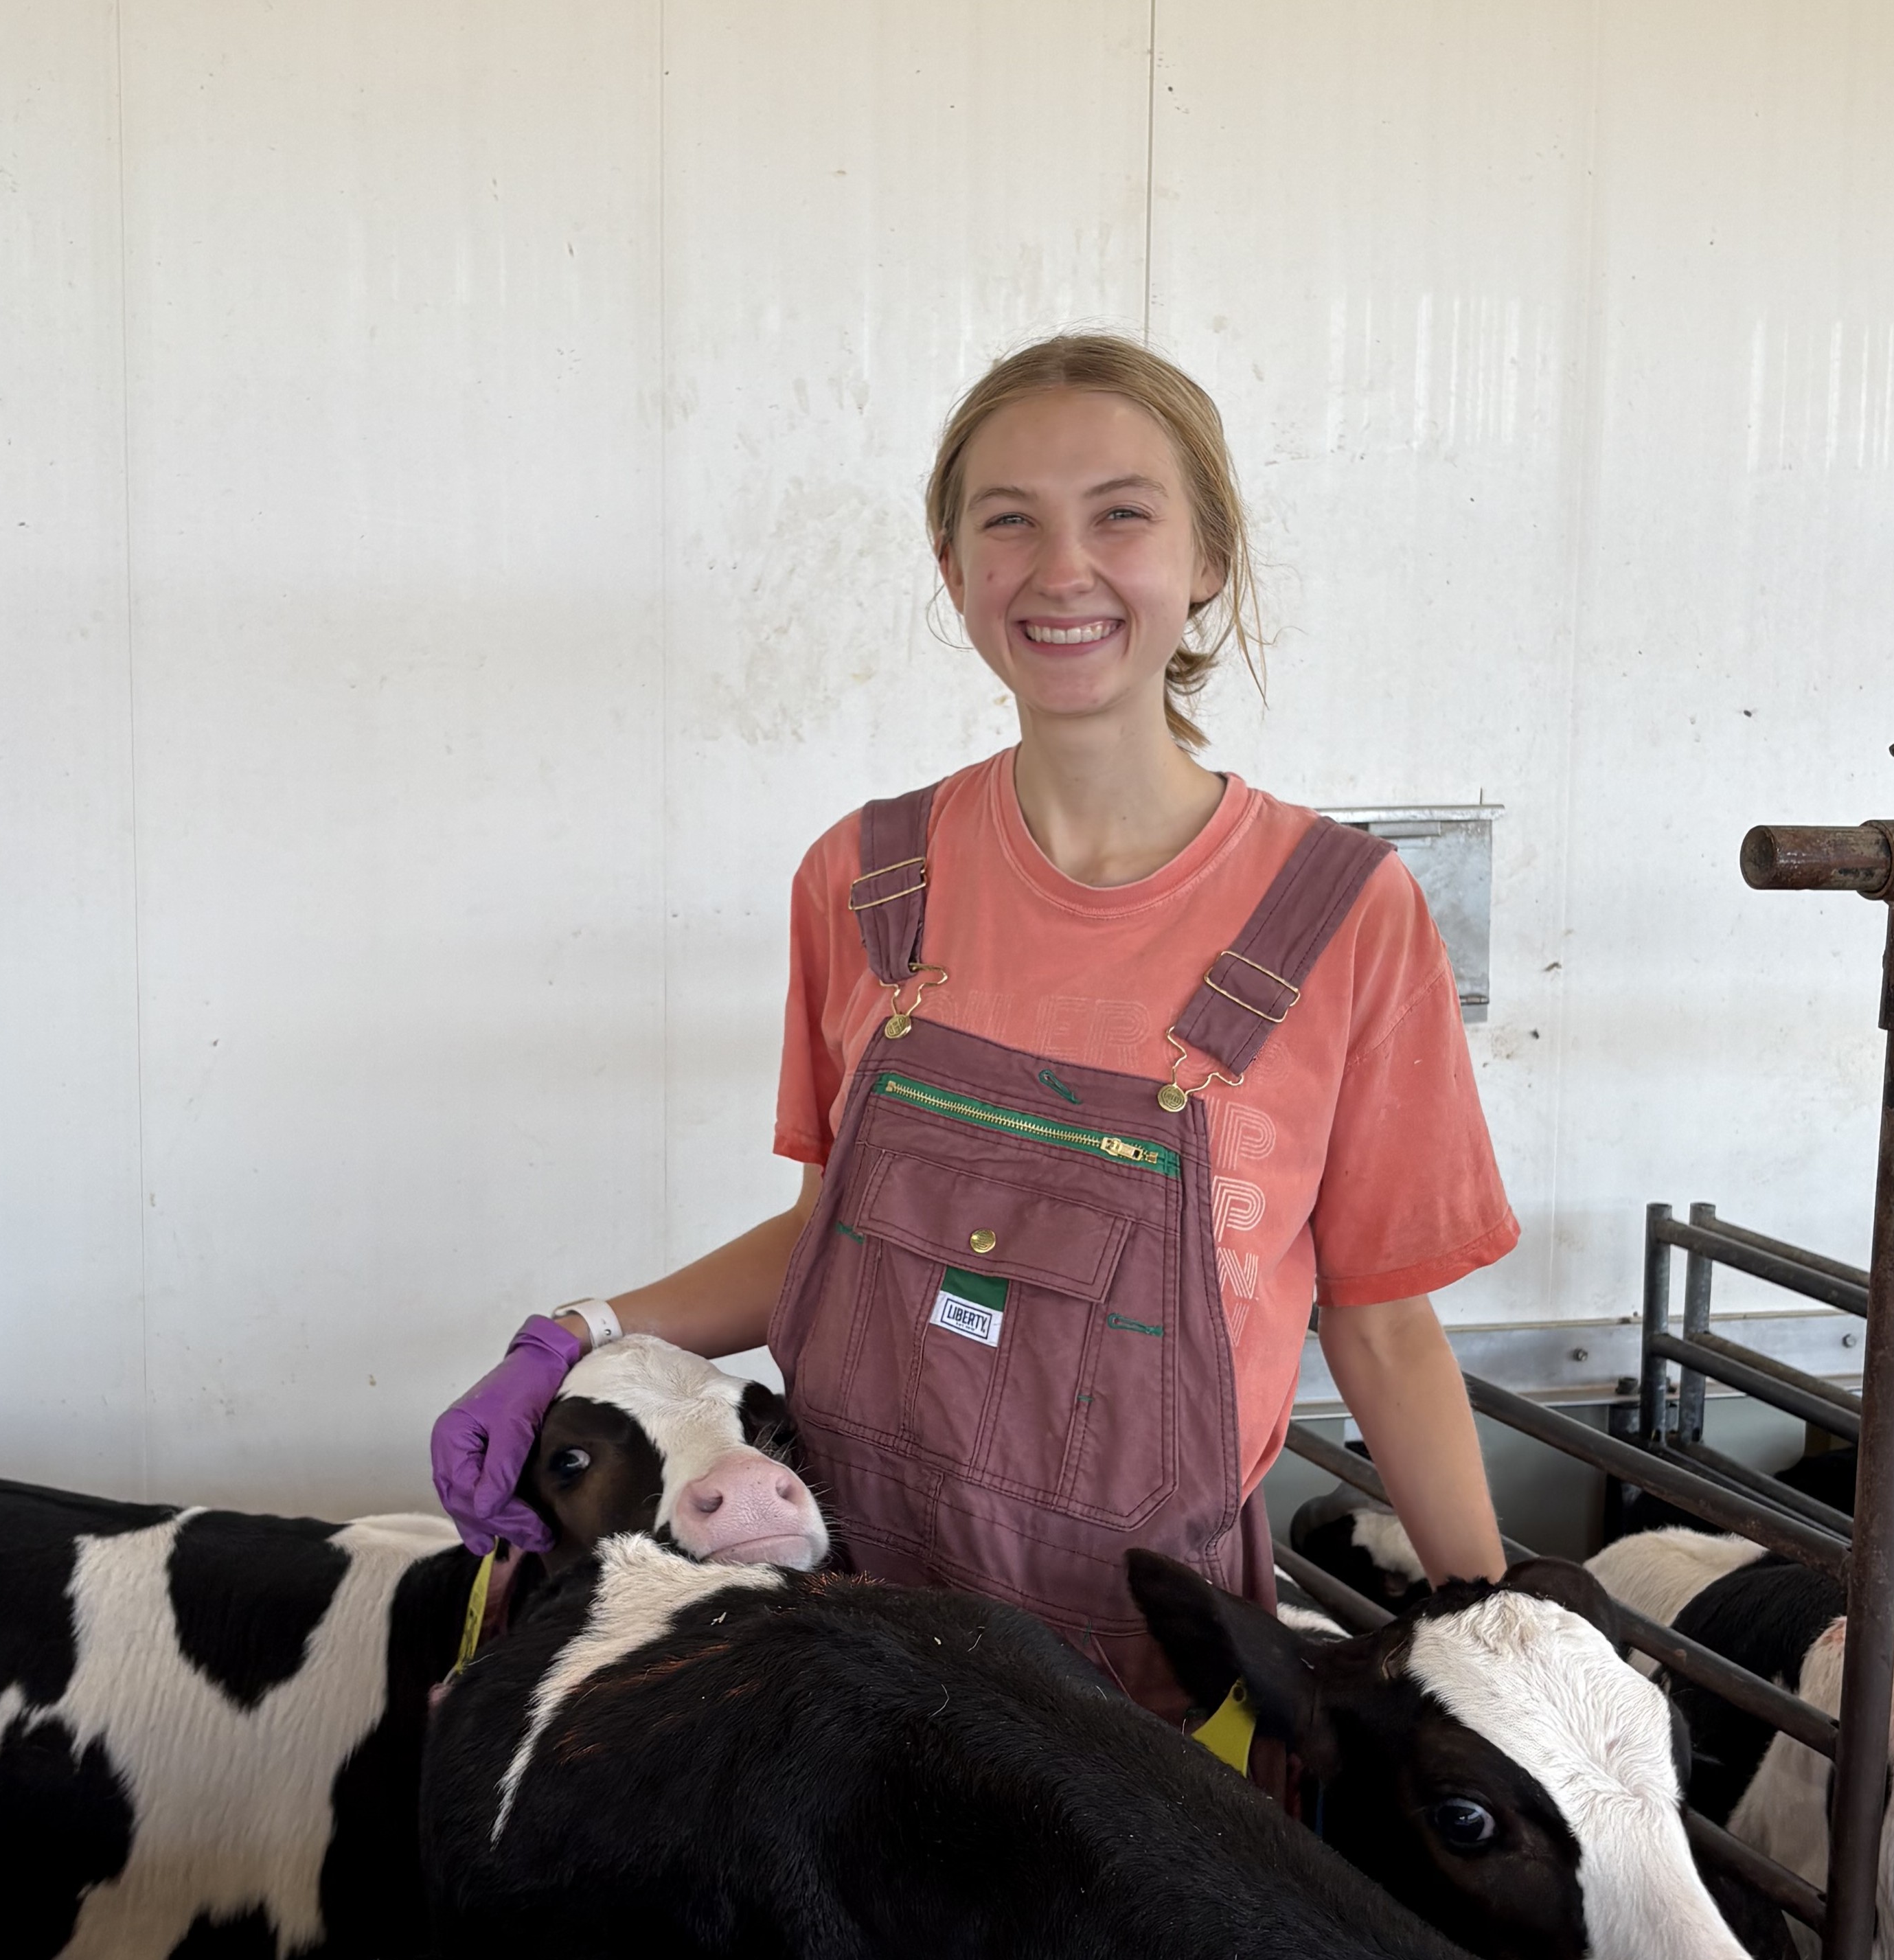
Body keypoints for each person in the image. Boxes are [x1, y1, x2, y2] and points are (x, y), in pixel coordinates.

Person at [433, 334, 1516, 1710]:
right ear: (955, 572)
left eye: (1122, 513)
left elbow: (1383, 1327)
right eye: (1010, 522)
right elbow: (831, 1237)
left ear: (1207, 564)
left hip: (1141, 1697)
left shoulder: (1344, 917)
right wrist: (582, 1330)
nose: (1063, 569)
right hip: (842, 1635)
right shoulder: (866, 883)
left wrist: (1492, 1616)